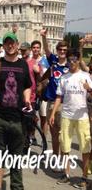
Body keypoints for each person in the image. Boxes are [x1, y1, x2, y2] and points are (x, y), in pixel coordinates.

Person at [0, 32, 32, 190]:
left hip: (18, 118)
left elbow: (27, 86)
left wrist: (27, 99)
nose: (10, 45)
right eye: (7, 43)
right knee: (0, 156)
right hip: (0, 117)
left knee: (16, 158)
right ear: (3, 45)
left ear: (17, 44)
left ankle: (17, 187)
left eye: (13, 43)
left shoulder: (23, 64)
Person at [49, 49, 92, 188]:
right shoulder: (64, 77)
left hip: (82, 117)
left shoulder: (86, 76)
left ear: (79, 60)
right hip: (66, 115)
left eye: (74, 59)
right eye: (69, 59)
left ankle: (84, 177)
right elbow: (58, 97)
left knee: (85, 147)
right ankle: (66, 174)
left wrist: (89, 89)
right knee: (65, 146)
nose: (72, 62)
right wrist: (53, 113)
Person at [41, 29, 69, 160]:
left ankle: (64, 160)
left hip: (65, 104)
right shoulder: (53, 61)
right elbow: (46, 50)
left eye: (64, 50)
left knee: (63, 134)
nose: (62, 52)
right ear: (57, 51)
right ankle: (56, 157)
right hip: (52, 102)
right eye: (60, 50)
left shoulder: (70, 65)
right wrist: (44, 37)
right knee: (53, 133)